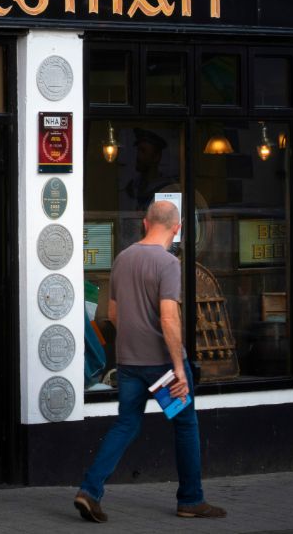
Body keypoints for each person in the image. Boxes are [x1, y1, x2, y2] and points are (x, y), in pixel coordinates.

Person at [73, 199, 226, 523]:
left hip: (129, 364)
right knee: (185, 426)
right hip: (163, 367)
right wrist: (179, 368)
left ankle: (89, 491)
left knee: (126, 424)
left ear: (145, 223)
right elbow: (169, 319)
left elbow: (112, 313)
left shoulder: (122, 259)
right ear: (178, 228)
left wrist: (134, 341)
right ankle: (191, 499)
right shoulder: (168, 264)